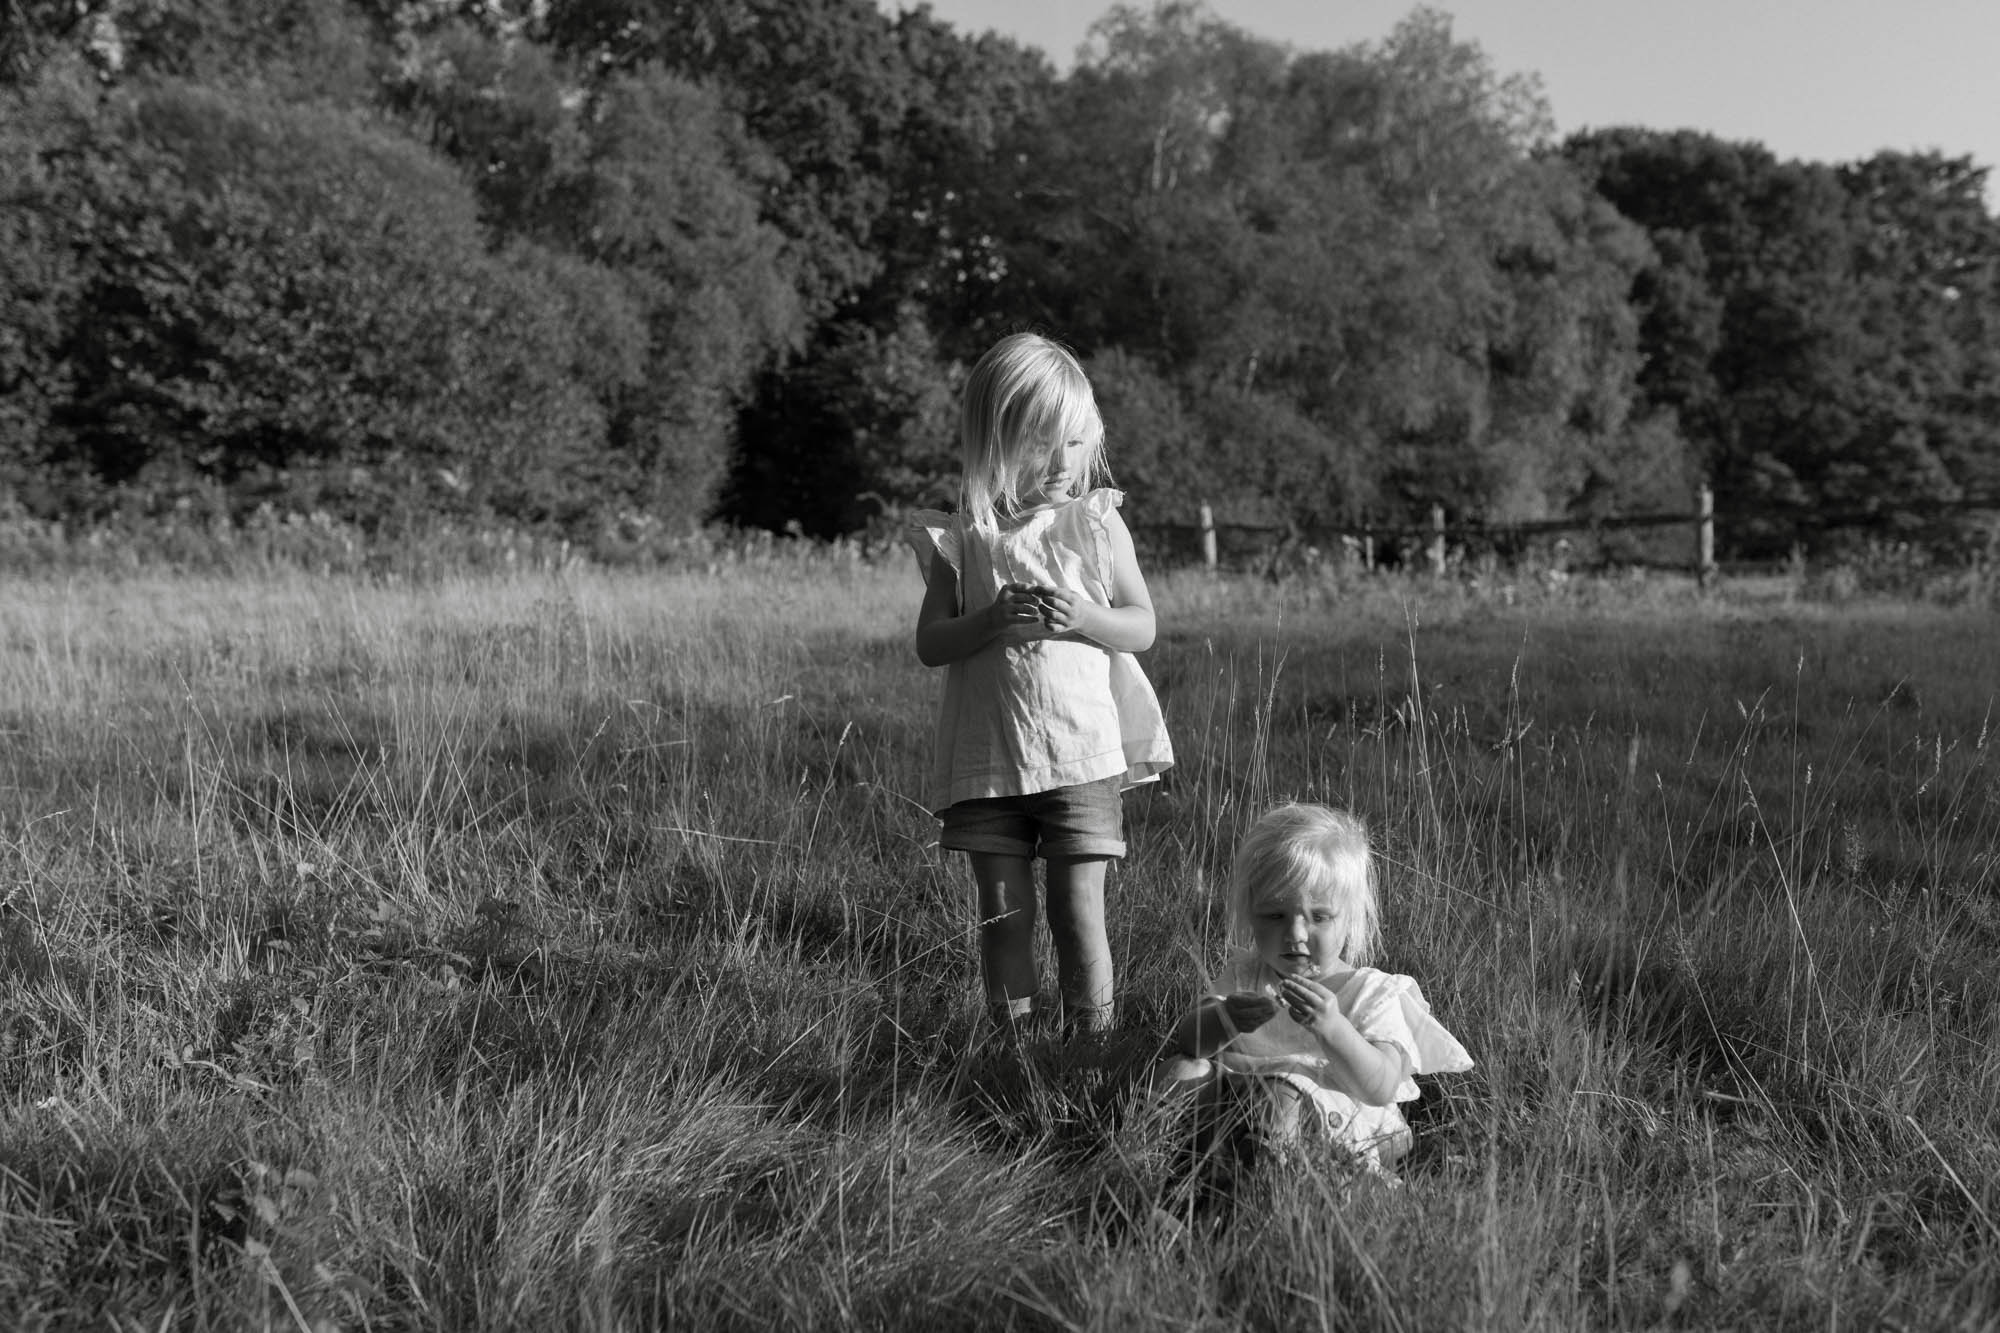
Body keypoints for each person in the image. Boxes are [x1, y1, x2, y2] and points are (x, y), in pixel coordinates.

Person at [907, 332, 1173, 1039]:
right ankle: (1013, 1049)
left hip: (1081, 755)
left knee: (1076, 908)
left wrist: (1085, 616)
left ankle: (1090, 1045)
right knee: (1003, 913)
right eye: (1041, 444)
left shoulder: (1095, 524)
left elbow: (1142, 625)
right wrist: (990, 620)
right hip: (988, 761)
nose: (1063, 463)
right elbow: (931, 644)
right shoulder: (967, 536)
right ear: (993, 440)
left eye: (1076, 443)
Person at [1156, 803, 1473, 1172]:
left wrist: (1333, 1028)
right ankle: (1161, 1166)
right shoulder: (1247, 975)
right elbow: (1190, 1042)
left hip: (1339, 1121)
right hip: (1237, 1109)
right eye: (1275, 915)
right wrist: (1225, 1018)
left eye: (1319, 917)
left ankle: (1264, 1186)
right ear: (1250, 915)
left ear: (1350, 919)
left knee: (1279, 1094)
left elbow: (1382, 1087)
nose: (1295, 934)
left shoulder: (1371, 992)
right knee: (1180, 1071)